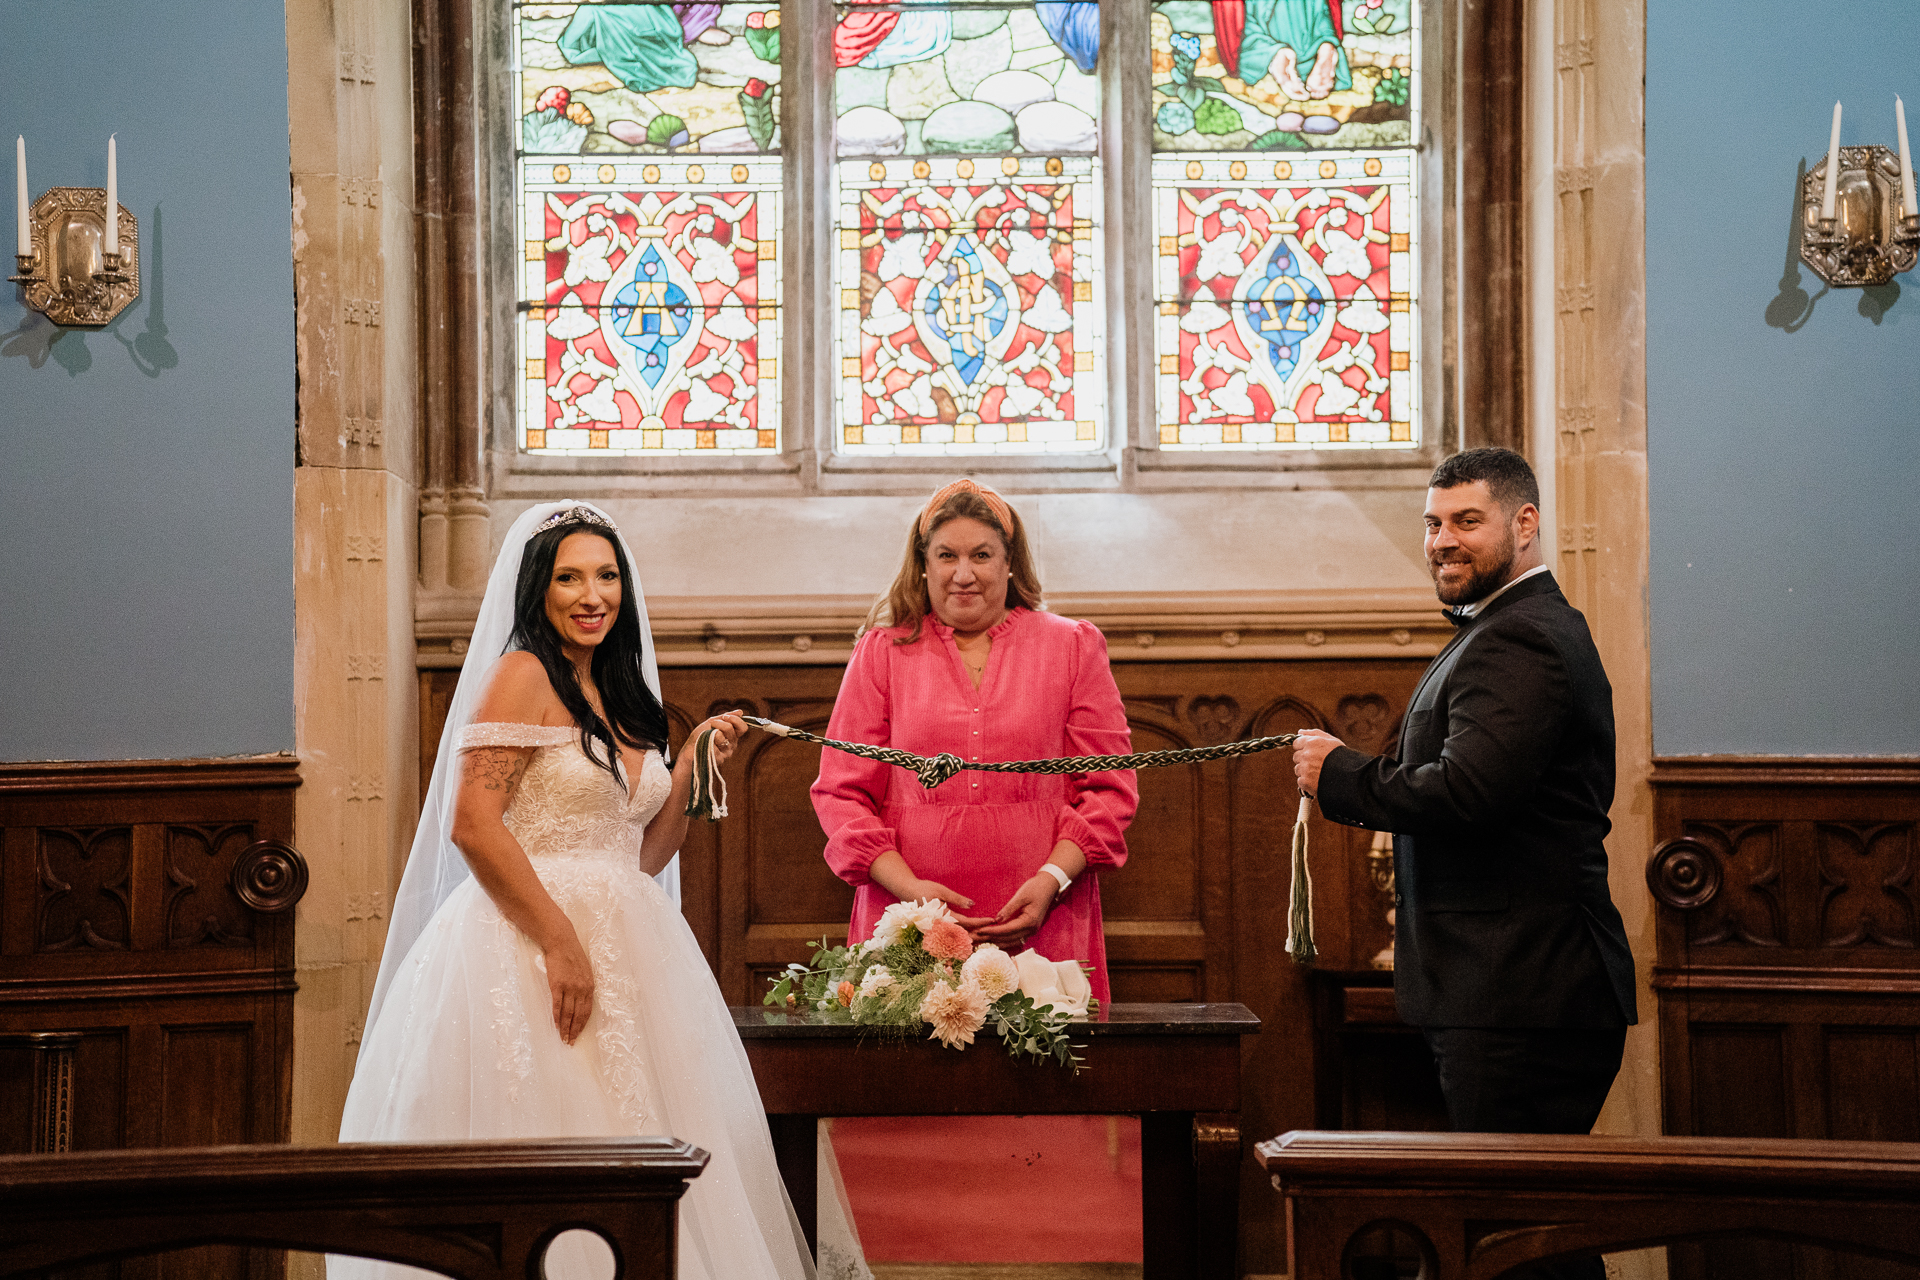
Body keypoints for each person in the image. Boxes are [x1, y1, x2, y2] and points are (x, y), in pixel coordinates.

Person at [332, 500, 812, 1280]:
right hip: (524, 943)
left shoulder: (623, 697)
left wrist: (687, 770)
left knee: (653, 1137)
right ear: (538, 590)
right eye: (570, 578)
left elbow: (639, 856)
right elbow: (474, 825)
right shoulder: (520, 676)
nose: (593, 595)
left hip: (633, 943)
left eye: (607, 575)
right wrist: (560, 941)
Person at [1290, 449, 1636, 1207]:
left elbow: (1469, 791)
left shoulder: (1522, 637)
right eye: (1433, 523)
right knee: (1518, 1233)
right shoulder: (1504, 627)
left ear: (1526, 523)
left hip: (1521, 994)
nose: (1443, 540)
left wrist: (1339, 774)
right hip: (1510, 989)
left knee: (1515, 1236)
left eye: (1467, 522)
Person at [810, 478, 1138, 1005]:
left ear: (1010, 564)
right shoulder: (881, 653)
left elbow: (1110, 788)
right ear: (923, 564)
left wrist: (1052, 879)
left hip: (1040, 917)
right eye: (947, 556)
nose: (964, 574)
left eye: (982, 555)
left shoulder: (1072, 647)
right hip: (910, 923)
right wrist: (914, 897)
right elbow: (841, 795)